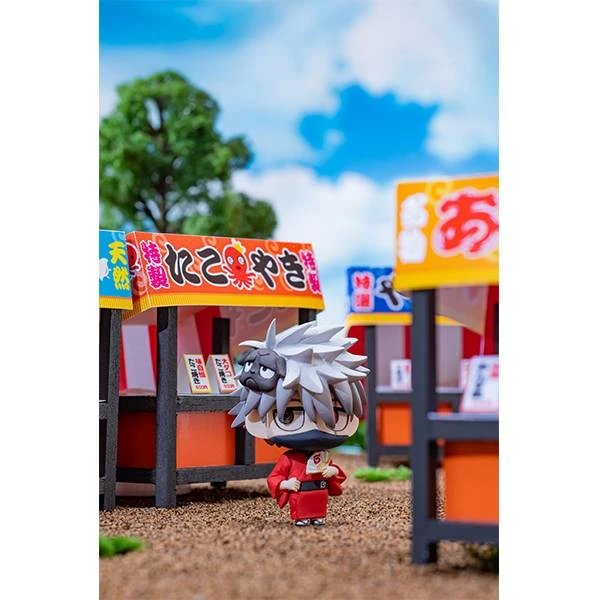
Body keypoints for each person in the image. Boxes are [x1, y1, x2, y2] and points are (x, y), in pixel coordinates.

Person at [229, 319, 369, 526]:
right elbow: (274, 479)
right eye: (289, 414)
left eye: (336, 412)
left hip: (318, 495)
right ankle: (302, 517)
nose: (315, 427)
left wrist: (332, 472)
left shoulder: (322, 457)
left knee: (317, 506)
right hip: (300, 497)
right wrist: (285, 484)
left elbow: (336, 479)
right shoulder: (289, 460)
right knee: (304, 506)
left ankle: (316, 516)